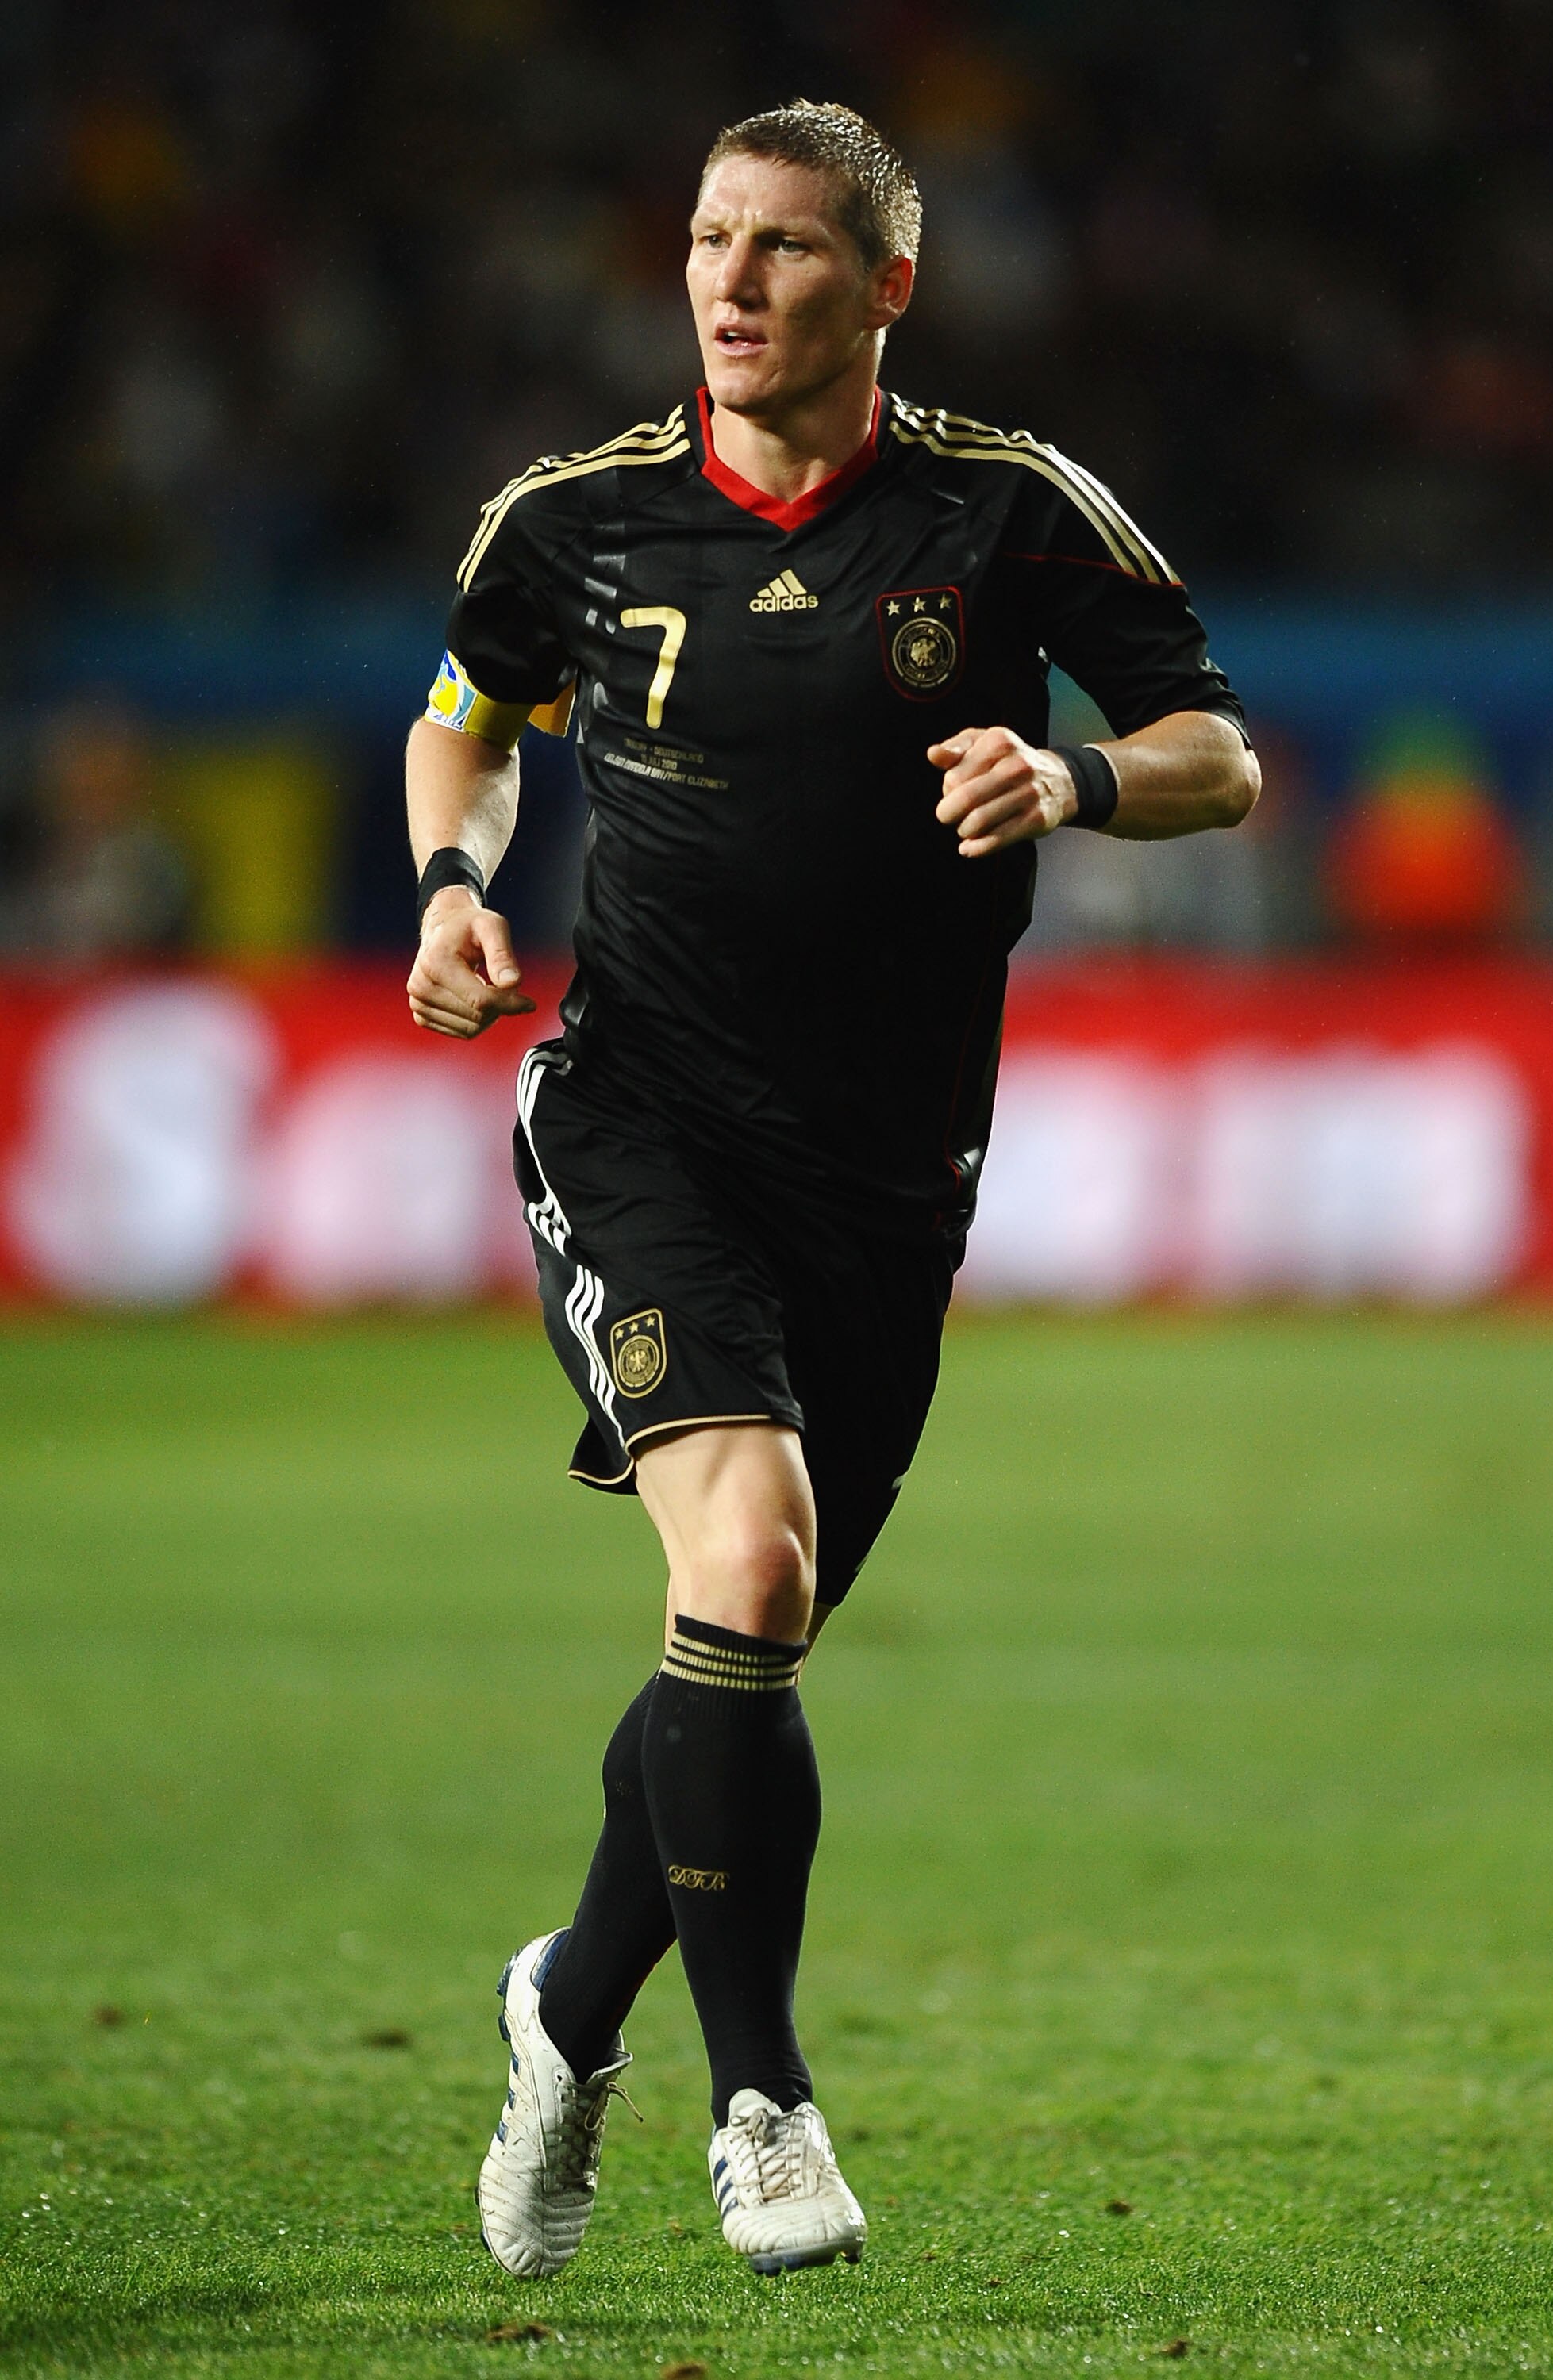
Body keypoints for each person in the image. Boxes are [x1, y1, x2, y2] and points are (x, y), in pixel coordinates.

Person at [405, 98, 1259, 2282]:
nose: (732, 279)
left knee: (738, 1636)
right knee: (756, 1564)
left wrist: (1070, 770)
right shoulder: (579, 520)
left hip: (889, 1179)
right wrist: (451, 882)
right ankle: (761, 2101)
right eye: (709, 237)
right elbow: (467, 717)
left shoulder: (1003, 514)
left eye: (785, 247)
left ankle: (564, 2006)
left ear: (887, 284)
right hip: (640, 1115)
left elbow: (1219, 750)